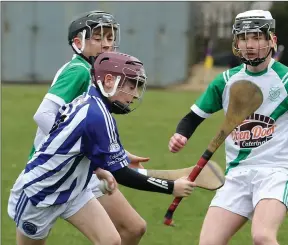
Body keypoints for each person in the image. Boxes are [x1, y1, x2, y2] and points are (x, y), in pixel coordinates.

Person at [168, 10, 288, 245]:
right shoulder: (224, 81)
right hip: (237, 174)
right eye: (244, 38)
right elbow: (192, 118)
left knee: (262, 237)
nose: (250, 45)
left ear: (271, 40)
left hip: (275, 172)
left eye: (257, 37)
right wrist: (180, 135)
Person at [8, 51, 196, 245]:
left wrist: (99, 169)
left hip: (74, 191)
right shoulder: (96, 115)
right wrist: (171, 187)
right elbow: (122, 174)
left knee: (111, 241)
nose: (134, 95)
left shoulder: (94, 103)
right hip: (39, 195)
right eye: (131, 86)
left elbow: (78, 147)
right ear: (108, 80)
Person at [28, 10, 150, 244]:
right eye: (98, 38)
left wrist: (116, 155)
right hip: (53, 170)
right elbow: (43, 115)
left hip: (81, 168)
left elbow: (89, 130)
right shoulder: (78, 71)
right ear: (78, 42)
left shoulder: (96, 73)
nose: (107, 44)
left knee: (133, 228)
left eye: (110, 37)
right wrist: (89, 158)